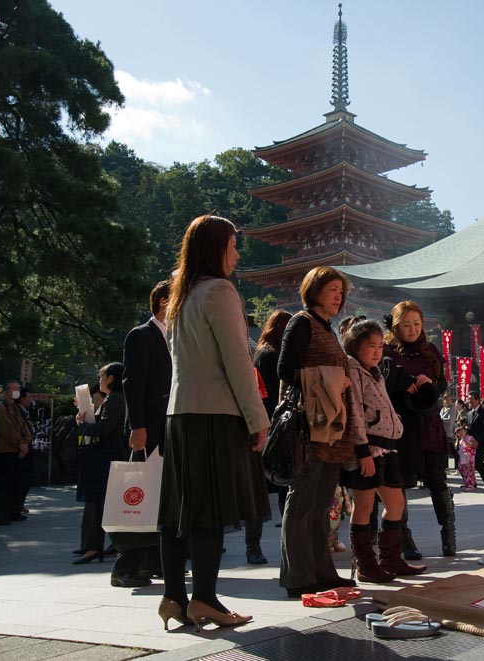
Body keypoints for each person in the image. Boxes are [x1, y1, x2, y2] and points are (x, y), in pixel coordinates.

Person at [159, 214, 269, 630]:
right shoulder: (220, 291)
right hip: (214, 414)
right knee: (208, 510)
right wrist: (258, 418)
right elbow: (238, 363)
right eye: (233, 245)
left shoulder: (180, 295)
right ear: (215, 248)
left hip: (179, 413)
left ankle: (174, 595)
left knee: (177, 511)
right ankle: (204, 598)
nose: (238, 253)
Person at [277, 266, 357, 597]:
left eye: (341, 290)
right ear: (314, 290)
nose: (338, 295)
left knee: (323, 504)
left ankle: (322, 571)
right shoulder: (302, 323)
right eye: (332, 289)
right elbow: (285, 369)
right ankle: (299, 575)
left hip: (332, 427)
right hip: (310, 426)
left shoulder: (329, 329)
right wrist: (331, 380)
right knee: (302, 502)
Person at [343, 319, 426, 582]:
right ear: (356, 346)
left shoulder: (375, 370)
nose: (377, 351)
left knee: (396, 503)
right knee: (364, 505)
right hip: (368, 447)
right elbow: (354, 410)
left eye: (380, 345)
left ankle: (390, 559)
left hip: (388, 447)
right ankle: (365, 566)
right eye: (371, 346)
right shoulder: (353, 370)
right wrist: (362, 450)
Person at [382, 301, 455, 558]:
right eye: (406, 325)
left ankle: (448, 533)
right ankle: (405, 539)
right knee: (399, 483)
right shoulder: (386, 351)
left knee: (438, 481)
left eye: (417, 324)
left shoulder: (430, 350)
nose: (412, 329)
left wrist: (430, 383)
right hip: (401, 425)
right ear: (395, 326)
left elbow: (443, 384)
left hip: (429, 423)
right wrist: (405, 385)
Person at [113, 280, 172, 589]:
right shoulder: (141, 335)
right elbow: (132, 382)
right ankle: (126, 565)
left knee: (160, 499)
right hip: (147, 428)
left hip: (167, 429)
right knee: (138, 497)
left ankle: (154, 562)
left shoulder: (174, 339)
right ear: (163, 301)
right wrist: (137, 426)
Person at [249, 309, 292, 562]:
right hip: (271, 427)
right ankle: (254, 546)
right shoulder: (271, 355)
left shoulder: (263, 353)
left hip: (268, 425)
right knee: (273, 488)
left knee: (270, 489)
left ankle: (255, 546)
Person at [74, 362, 126, 565]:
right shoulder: (113, 399)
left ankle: (97, 546)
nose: (100, 380)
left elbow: (103, 428)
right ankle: (95, 545)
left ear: (111, 378)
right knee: (97, 504)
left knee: (99, 503)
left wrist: (82, 423)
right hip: (103, 457)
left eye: (102, 376)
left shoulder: (114, 399)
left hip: (105, 457)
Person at [0, 379, 32, 526]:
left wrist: (26, 442)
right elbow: (7, 431)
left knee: (15, 484)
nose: (18, 391)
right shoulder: (0, 409)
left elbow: (23, 427)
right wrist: (21, 444)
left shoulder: (15, 408)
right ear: (7, 391)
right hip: (6, 450)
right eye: (15, 388)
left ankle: (11, 512)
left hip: (17, 450)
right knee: (4, 485)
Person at [466, 392, 484, 492]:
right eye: (468, 398)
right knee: (470, 463)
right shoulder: (469, 413)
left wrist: (478, 440)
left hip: (481, 442)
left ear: (477, 400)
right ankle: (471, 483)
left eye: (471, 399)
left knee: (478, 462)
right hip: (471, 442)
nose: (469, 401)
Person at [14, 387, 35, 518]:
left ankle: (18, 505)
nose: (30, 400)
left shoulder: (23, 412)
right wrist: (23, 445)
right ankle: (16, 506)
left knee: (23, 482)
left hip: (25, 448)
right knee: (20, 481)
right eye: (29, 397)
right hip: (21, 450)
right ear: (22, 399)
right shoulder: (17, 412)